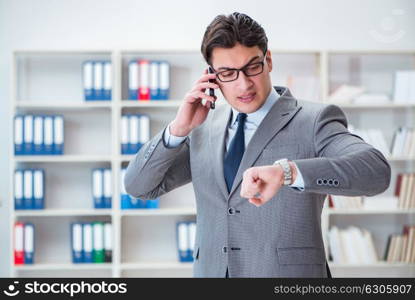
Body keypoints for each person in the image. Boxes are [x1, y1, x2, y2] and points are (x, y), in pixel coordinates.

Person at [124, 12, 391, 278]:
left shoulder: (313, 120)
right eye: (228, 73)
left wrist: (288, 173)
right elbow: (138, 187)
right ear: (212, 77)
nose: (244, 84)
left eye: (252, 67)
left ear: (269, 60)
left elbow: (376, 172)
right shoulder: (201, 128)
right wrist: (178, 130)